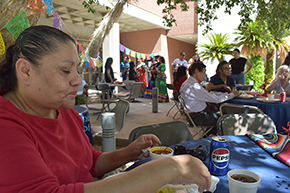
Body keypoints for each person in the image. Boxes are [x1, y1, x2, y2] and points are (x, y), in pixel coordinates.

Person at [0, 26, 211, 193]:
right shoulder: (6, 127)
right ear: (25, 71)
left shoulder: (64, 111)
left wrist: (130, 152)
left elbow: (90, 163)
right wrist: (168, 169)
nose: (78, 81)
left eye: (78, 70)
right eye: (65, 71)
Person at [180, 62, 239, 128]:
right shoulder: (193, 86)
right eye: (203, 72)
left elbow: (208, 94)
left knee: (221, 114)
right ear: (196, 71)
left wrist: (227, 94)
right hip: (198, 117)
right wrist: (232, 95)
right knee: (227, 118)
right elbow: (215, 100)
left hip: (194, 115)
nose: (205, 75)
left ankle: (209, 134)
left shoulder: (187, 83)